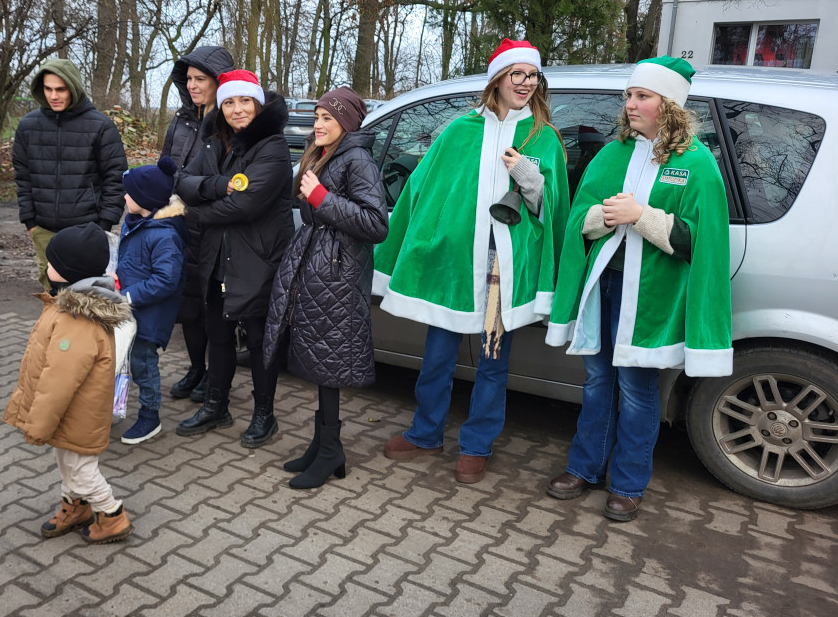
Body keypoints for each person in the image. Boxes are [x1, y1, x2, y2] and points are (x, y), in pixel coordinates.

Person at [545, 56, 732, 521]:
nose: (630, 104)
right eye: (629, 95)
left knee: (637, 389)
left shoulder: (696, 163)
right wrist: (599, 218)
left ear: (667, 105)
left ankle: (628, 483)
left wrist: (641, 217)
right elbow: (579, 217)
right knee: (596, 382)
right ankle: (584, 468)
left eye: (642, 96)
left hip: (651, 296)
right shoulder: (612, 153)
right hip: (605, 285)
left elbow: (700, 240)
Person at [373, 39, 569, 484]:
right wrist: (417, 240)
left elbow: (553, 209)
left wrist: (530, 177)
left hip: (504, 265)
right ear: (497, 79)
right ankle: (425, 433)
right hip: (455, 261)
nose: (525, 82)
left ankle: (477, 444)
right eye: (516, 73)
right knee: (438, 354)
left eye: (532, 75)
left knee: (493, 360)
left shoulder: (544, 137)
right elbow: (422, 191)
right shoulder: (459, 131)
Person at [264, 87, 389, 489]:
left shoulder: (358, 161)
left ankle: (333, 449)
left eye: (327, 119)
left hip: (339, 273)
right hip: (318, 268)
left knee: (331, 357)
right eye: (316, 117)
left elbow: (376, 224)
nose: (318, 125)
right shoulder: (321, 154)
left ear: (346, 124)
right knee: (322, 355)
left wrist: (320, 197)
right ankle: (322, 445)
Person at [175, 70, 293, 447]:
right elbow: (182, 181)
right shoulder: (212, 142)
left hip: (258, 258)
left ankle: (264, 415)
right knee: (218, 334)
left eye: (244, 101)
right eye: (229, 102)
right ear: (220, 106)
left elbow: (244, 204)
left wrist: (193, 212)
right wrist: (213, 187)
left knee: (259, 341)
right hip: (217, 257)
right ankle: (216, 405)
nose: (237, 109)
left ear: (257, 103)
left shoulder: (272, 146)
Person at [2, 222, 135, 544]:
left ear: (68, 271)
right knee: (67, 461)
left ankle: (111, 514)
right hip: (70, 411)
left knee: (81, 469)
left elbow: (59, 380)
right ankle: (75, 507)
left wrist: (39, 423)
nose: (46, 267)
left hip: (75, 411)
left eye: (52, 263)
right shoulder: (68, 304)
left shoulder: (78, 320)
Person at [12, 58, 128, 291]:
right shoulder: (28, 126)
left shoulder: (101, 126)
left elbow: (115, 178)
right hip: (43, 229)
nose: (53, 95)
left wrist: (104, 224)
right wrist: (30, 220)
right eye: (48, 89)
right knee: (52, 300)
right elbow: (22, 176)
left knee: (87, 299)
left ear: (73, 87)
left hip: (86, 230)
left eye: (60, 89)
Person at [161, 46, 236, 404]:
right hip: (179, 225)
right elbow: (166, 168)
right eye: (188, 79)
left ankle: (216, 378)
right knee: (188, 305)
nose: (192, 85)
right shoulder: (181, 120)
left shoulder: (230, 125)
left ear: (217, 82)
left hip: (214, 228)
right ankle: (196, 369)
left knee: (214, 310)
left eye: (200, 79)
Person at [117, 156, 188, 445]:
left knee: (143, 364)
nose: (124, 197)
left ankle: (150, 415)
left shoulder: (164, 236)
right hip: (128, 308)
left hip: (148, 314)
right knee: (123, 359)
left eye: (129, 193)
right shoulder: (133, 221)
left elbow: (166, 280)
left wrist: (130, 295)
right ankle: (114, 406)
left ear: (144, 200)